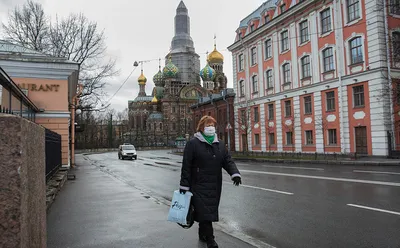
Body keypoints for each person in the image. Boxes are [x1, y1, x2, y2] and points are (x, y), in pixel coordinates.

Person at [179, 115, 242, 248]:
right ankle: (210, 239)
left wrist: (234, 173)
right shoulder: (193, 144)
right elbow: (186, 166)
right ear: (201, 127)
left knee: (207, 211)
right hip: (198, 184)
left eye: (212, 125)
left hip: (215, 184)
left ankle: (203, 233)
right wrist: (184, 185)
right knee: (205, 211)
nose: (210, 128)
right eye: (208, 125)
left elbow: (227, 160)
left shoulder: (219, 144)